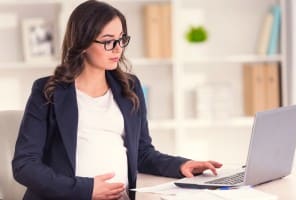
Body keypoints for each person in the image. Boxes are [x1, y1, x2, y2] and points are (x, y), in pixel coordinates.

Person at [12, 1, 222, 199]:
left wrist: (181, 165)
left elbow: (142, 153)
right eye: (108, 41)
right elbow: (24, 165)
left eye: (121, 39)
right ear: (83, 42)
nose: (118, 48)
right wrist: (86, 190)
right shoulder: (48, 90)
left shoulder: (129, 87)